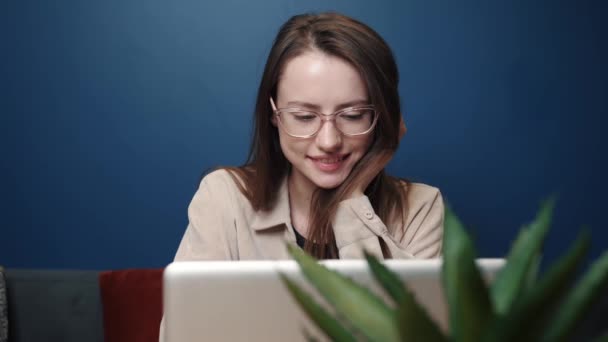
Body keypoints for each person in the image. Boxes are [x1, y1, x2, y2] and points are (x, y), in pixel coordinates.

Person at [174, 12, 444, 262]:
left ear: (382, 117)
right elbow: (185, 315)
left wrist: (349, 197)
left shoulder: (419, 209)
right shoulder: (224, 199)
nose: (329, 142)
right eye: (304, 117)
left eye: (353, 115)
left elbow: (395, 314)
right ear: (273, 114)